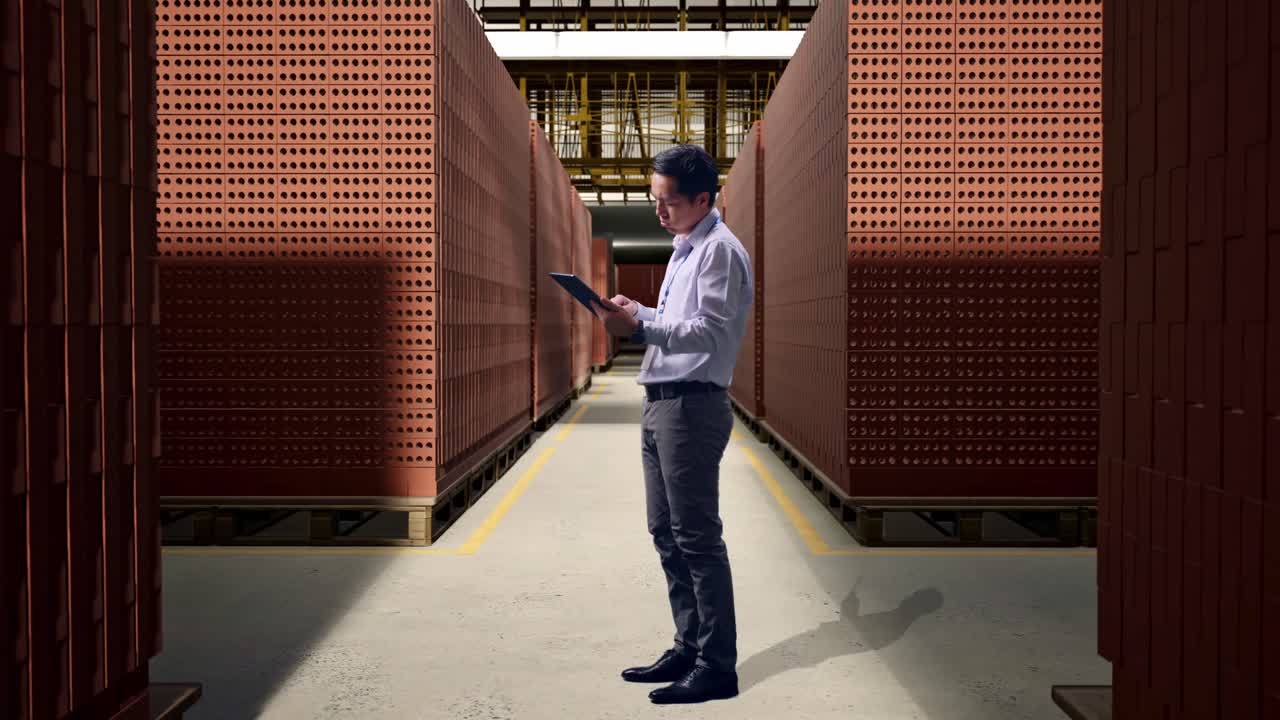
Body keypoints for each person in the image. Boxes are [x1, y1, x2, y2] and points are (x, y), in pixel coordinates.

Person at [594, 144, 754, 705]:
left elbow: (708, 333)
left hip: (692, 406)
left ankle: (717, 666)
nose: (658, 213)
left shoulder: (719, 253)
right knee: (666, 533)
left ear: (703, 199)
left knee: (697, 539)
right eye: (654, 201)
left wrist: (637, 331)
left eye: (669, 203)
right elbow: (679, 322)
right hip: (662, 401)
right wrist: (639, 312)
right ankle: (689, 646)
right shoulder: (686, 249)